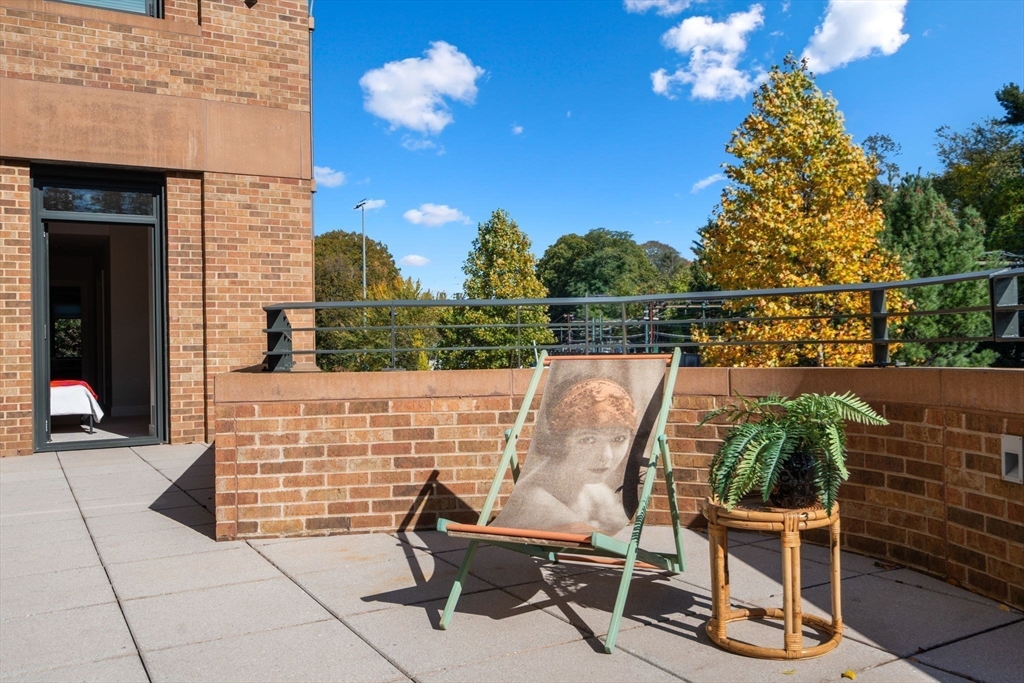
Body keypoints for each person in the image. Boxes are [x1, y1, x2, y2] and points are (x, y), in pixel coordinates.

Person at [492, 376, 640, 535]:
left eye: (618, 439)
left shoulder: (597, 492)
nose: (607, 456)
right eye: (588, 439)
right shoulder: (538, 503)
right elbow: (597, 539)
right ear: (560, 440)